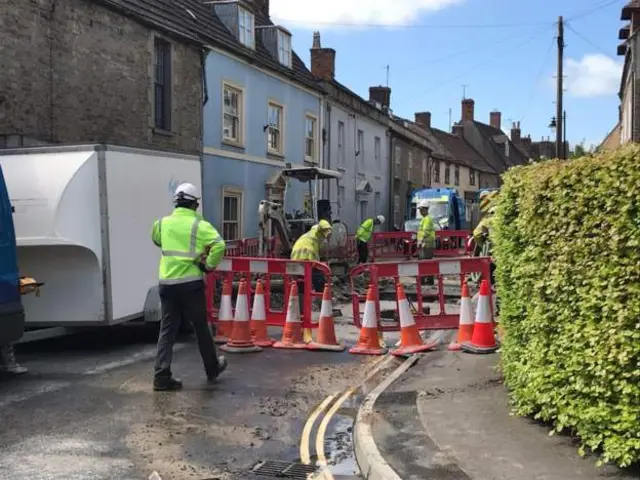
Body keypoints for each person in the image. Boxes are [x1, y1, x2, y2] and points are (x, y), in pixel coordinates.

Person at [151, 183, 227, 391]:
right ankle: (212, 368)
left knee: (167, 329)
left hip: (166, 283)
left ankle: (161, 375)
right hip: (190, 284)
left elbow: (157, 240)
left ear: (176, 203)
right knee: (201, 327)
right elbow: (220, 245)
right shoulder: (199, 225)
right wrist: (207, 265)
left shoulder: (162, 223)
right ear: (195, 204)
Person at [290, 220, 333, 343]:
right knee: (320, 283)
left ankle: (300, 311)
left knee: (300, 285)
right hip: (308, 259)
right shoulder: (317, 235)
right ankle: (323, 309)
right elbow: (315, 253)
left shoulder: (309, 234)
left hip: (295, 259)